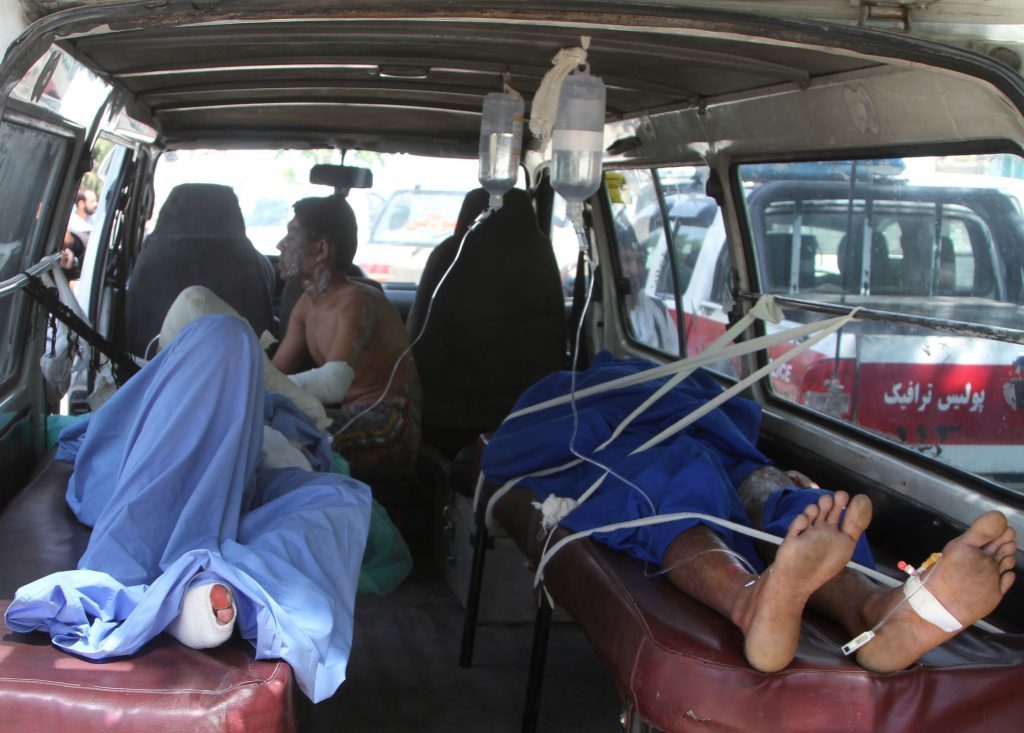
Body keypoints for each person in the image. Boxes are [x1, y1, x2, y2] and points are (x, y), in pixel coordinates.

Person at [482, 353, 1017, 674]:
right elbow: (529, 441)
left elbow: (510, 446)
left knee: (720, 483)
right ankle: (842, 604)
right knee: (736, 487)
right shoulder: (574, 390)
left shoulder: (644, 379)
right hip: (672, 441)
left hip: (706, 443)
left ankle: (834, 606)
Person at [6, 312, 374, 702]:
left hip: (240, 484)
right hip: (135, 480)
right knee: (224, 339)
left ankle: (196, 589)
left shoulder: (255, 400)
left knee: (339, 498)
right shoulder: (178, 384)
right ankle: (176, 587)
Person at [272, 195, 422, 480]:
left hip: (391, 422)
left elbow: (334, 382)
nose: (281, 245)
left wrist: (255, 393)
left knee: (290, 438)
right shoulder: (307, 304)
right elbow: (276, 375)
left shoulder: (357, 302)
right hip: (350, 414)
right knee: (268, 428)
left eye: (292, 235)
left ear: (322, 249)